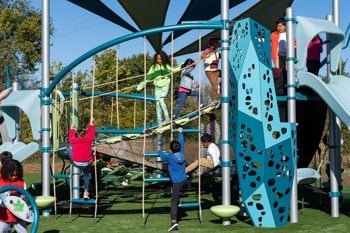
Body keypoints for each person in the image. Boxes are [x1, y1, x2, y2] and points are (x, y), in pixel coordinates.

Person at [137, 51, 181, 125]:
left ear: (163, 59)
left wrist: (183, 65)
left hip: (165, 85)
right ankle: (159, 121)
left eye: (160, 59)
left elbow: (174, 70)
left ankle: (167, 117)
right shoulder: (153, 67)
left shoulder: (166, 66)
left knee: (161, 99)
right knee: (157, 103)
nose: (159, 61)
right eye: (157, 59)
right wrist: (140, 86)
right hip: (157, 86)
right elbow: (148, 77)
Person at [158, 127, 187, 232]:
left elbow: (160, 154)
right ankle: (179, 196)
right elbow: (182, 143)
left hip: (177, 183)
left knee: (174, 201)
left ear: (171, 149)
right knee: (176, 194)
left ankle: (174, 222)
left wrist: (160, 148)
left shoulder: (169, 157)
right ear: (179, 148)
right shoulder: (182, 153)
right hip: (184, 180)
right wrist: (180, 133)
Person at [68, 117, 95, 199]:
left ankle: (71, 155)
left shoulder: (74, 140)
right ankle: (86, 192)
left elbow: (71, 136)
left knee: (67, 147)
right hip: (85, 163)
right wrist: (91, 123)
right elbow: (91, 133)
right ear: (84, 134)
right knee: (86, 175)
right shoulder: (88, 139)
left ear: (77, 135)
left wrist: (72, 128)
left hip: (76, 162)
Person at [0, 158, 27, 233]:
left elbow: (24, 195)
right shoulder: (1, 182)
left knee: (23, 231)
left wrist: (23, 198)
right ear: (5, 172)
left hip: (18, 213)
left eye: (16, 175)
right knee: (1, 229)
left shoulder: (21, 182)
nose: (14, 177)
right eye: (11, 175)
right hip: (3, 213)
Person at [200, 35, 221, 102]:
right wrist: (206, 55)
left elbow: (222, 56)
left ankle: (220, 87)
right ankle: (213, 101)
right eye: (217, 43)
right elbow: (201, 57)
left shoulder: (217, 51)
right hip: (210, 71)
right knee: (214, 86)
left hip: (216, 70)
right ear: (213, 43)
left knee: (227, 76)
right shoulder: (208, 49)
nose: (219, 44)